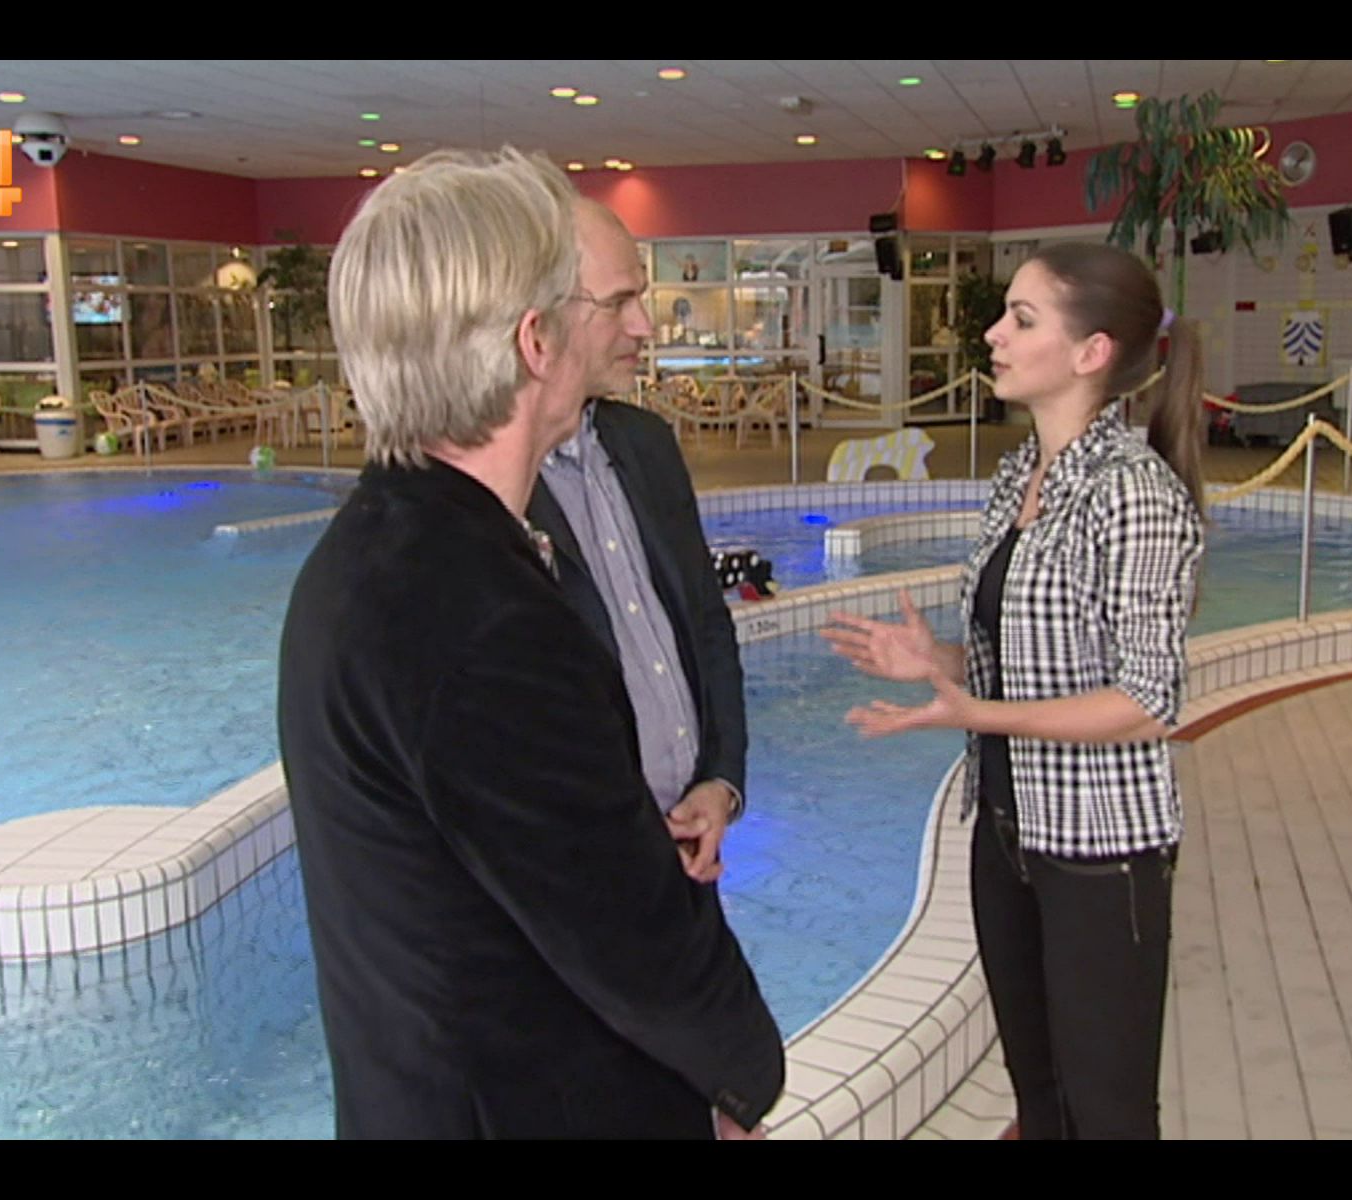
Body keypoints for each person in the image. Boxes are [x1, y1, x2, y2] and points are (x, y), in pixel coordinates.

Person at [277, 147, 784, 1140]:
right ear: (535, 341)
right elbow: (621, 931)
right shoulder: (479, 614)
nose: (627, 327)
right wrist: (741, 1077)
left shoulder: (370, 557)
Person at [819, 242, 1206, 1140]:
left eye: (1021, 320)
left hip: (1100, 852)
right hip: (1007, 834)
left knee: (1106, 1114)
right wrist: (941, 661)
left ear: (1091, 352)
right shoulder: (1018, 476)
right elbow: (1032, 658)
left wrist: (976, 714)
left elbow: (1149, 700)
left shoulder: (1131, 493)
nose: (992, 334)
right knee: (1039, 1099)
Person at [528, 199, 747, 884]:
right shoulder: (491, 494)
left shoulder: (645, 444)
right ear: (542, 318)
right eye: (620, 302)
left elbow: (706, 622)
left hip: (690, 843)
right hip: (583, 867)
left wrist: (720, 781)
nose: (645, 327)